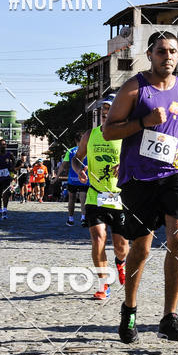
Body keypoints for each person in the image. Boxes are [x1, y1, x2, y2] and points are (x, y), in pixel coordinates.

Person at [103, 31, 178, 344]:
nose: (167, 57)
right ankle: (129, 308)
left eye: (172, 51)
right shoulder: (134, 87)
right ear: (150, 55)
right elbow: (108, 131)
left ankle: (170, 317)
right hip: (139, 177)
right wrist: (142, 122)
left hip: (176, 170)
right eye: (161, 51)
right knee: (141, 249)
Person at [73, 95, 128, 301]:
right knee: (97, 239)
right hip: (95, 194)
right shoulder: (91, 134)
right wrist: (79, 170)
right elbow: (77, 158)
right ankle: (103, 285)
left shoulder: (128, 136)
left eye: (110, 108)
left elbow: (140, 160)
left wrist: (125, 165)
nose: (105, 112)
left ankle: (121, 263)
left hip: (119, 197)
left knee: (121, 247)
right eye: (103, 110)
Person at [58, 132, 89, 226]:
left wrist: (56, 177)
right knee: (83, 199)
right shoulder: (88, 150)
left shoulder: (71, 151)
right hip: (85, 179)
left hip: (72, 179)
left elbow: (63, 165)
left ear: (75, 140)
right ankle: (83, 218)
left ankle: (70, 219)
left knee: (71, 199)